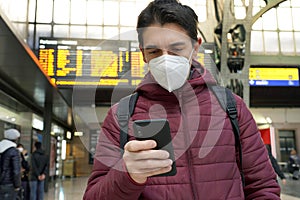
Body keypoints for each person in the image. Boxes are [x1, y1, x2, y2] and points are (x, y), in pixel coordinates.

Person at [83, 0, 280, 199]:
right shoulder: (121, 116)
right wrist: (127, 174)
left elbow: (262, 186)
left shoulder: (231, 108)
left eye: (176, 49)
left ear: (195, 48)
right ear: (143, 54)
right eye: (154, 52)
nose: (165, 59)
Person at [0, 129, 22, 200]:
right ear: (15, 139)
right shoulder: (14, 151)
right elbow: (16, 171)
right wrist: (17, 185)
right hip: (8, 184)